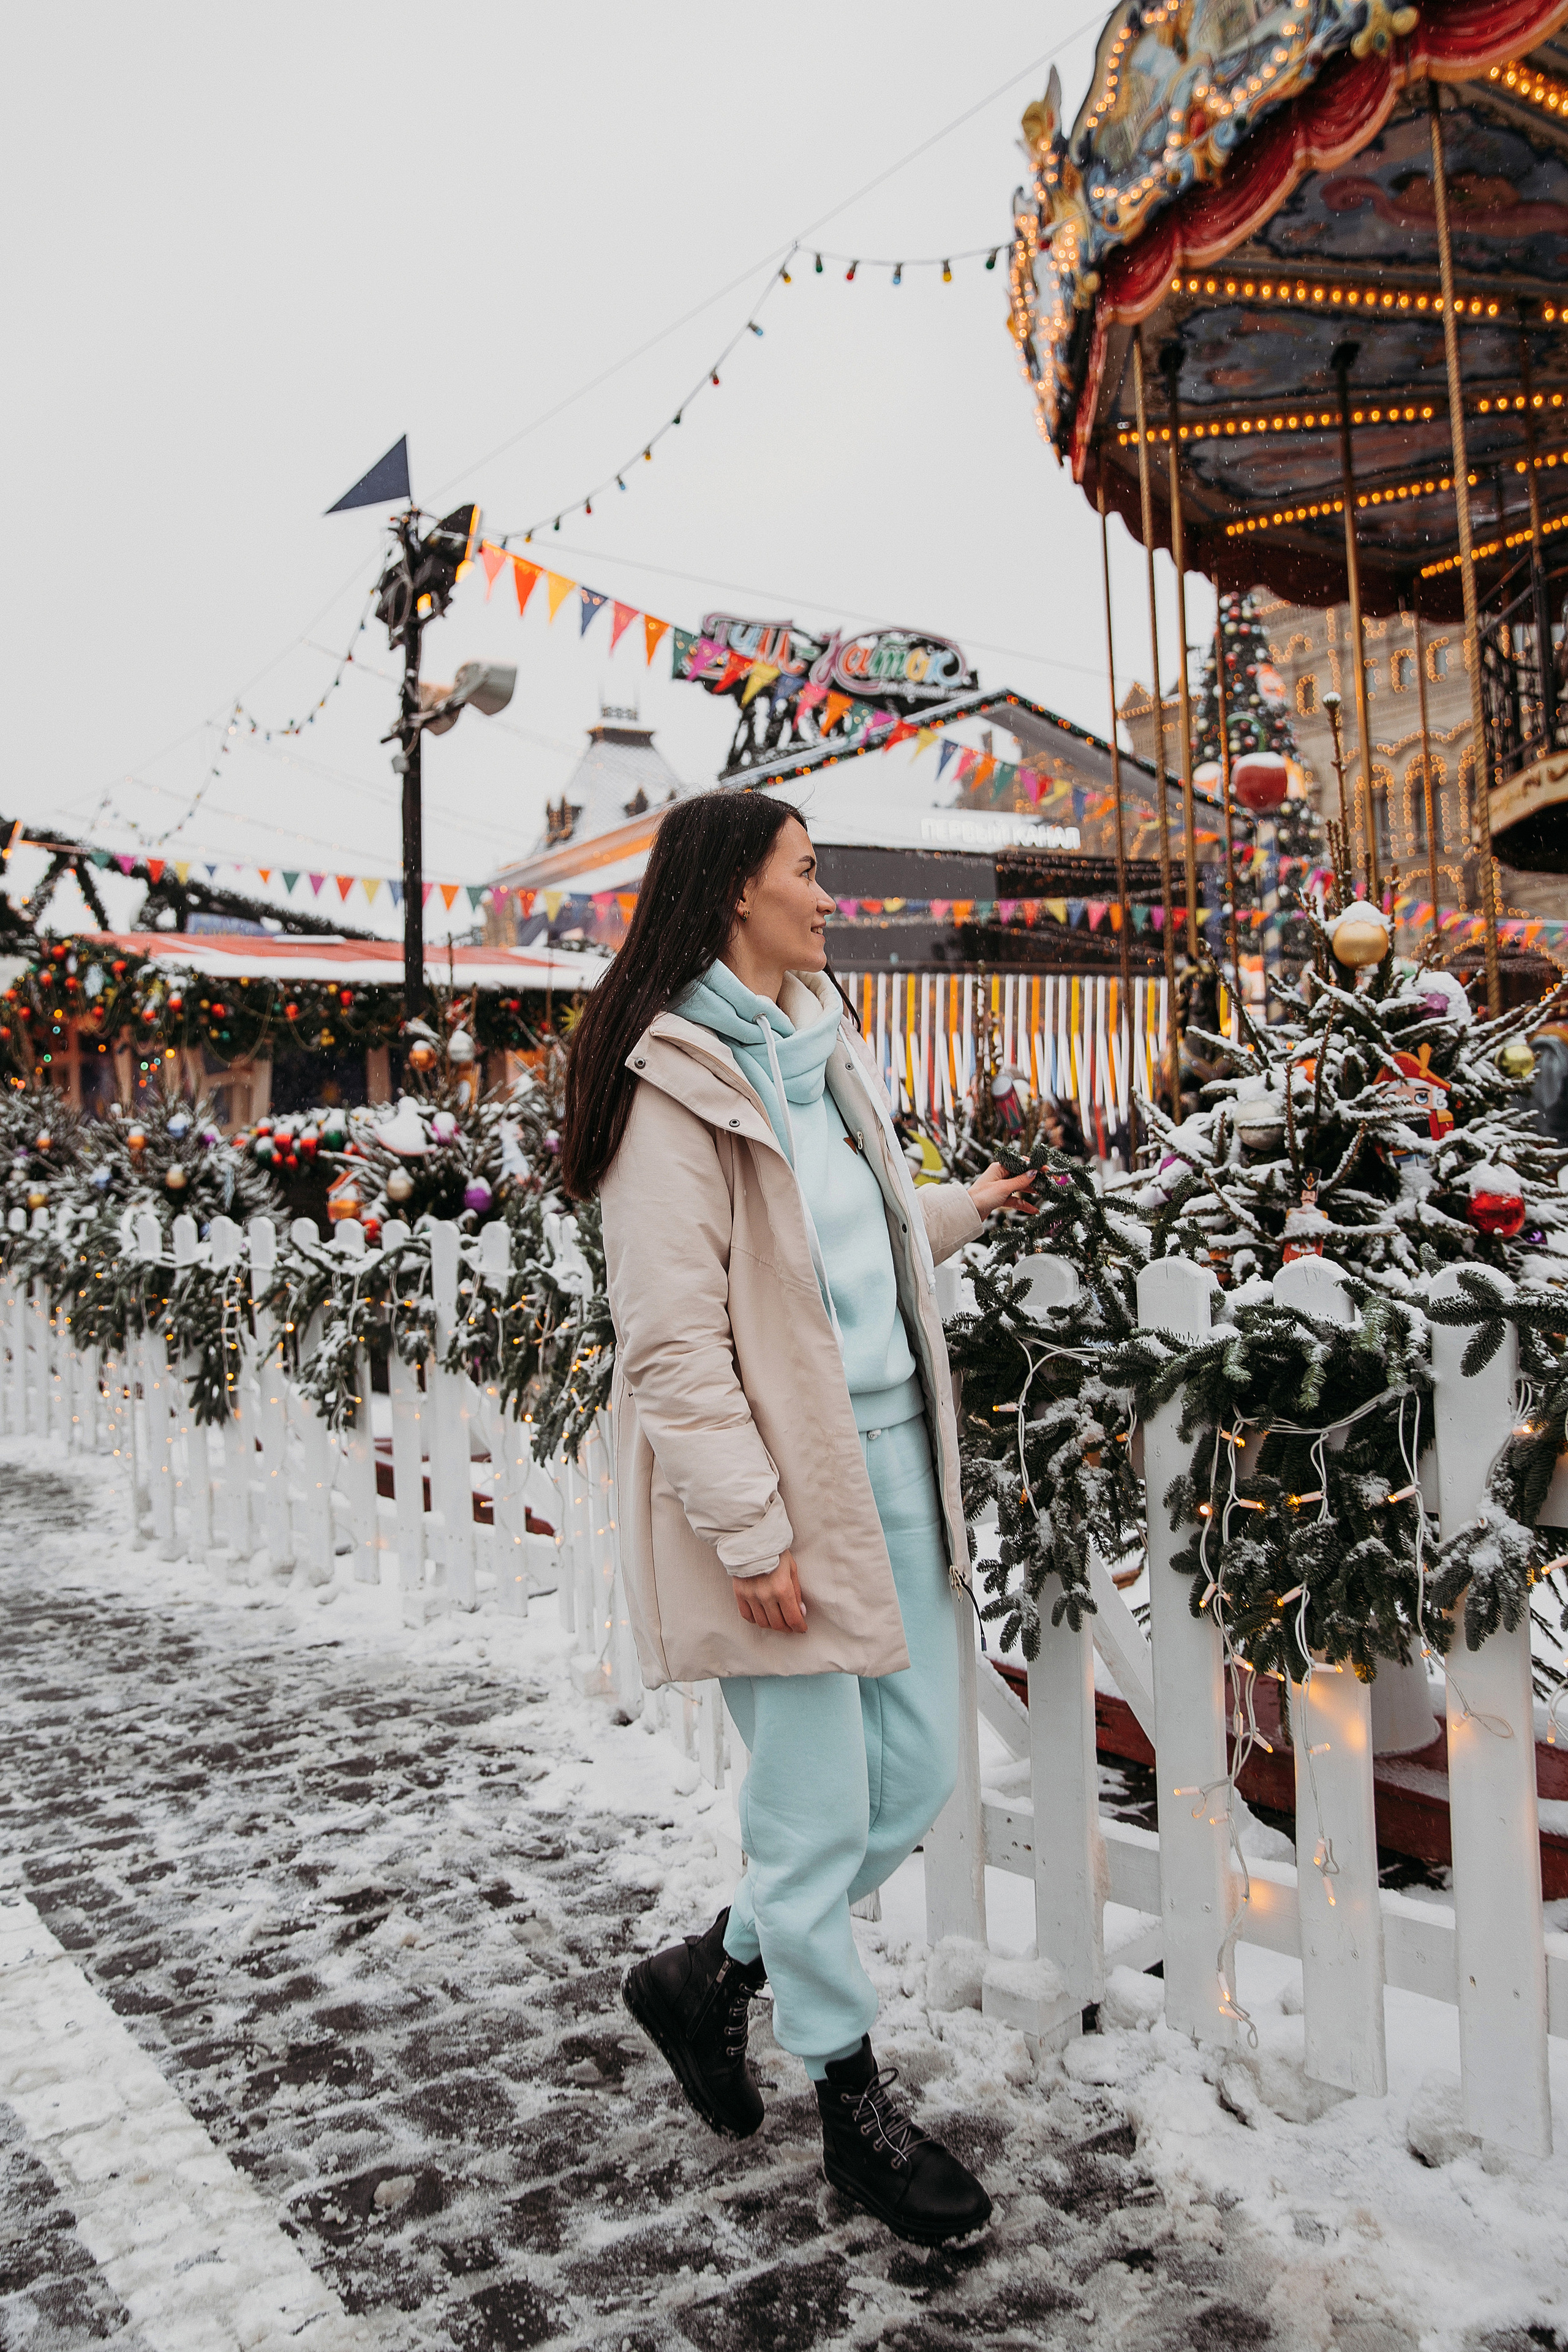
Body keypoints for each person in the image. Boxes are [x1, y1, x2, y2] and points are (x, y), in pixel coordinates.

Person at [560, 790, 1033, 2247]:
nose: (827, 900)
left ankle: (711, 1970)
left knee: (915, 1775)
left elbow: (833, 1244)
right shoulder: (671, 1088)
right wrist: (750, 1533)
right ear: (734, 895)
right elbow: (673, 1343)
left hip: (893, 1465)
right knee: (816, 1809)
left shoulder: (818, 1048)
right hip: (778, 1489)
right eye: (807, 874)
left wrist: (960, 1207)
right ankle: (849, 2104)